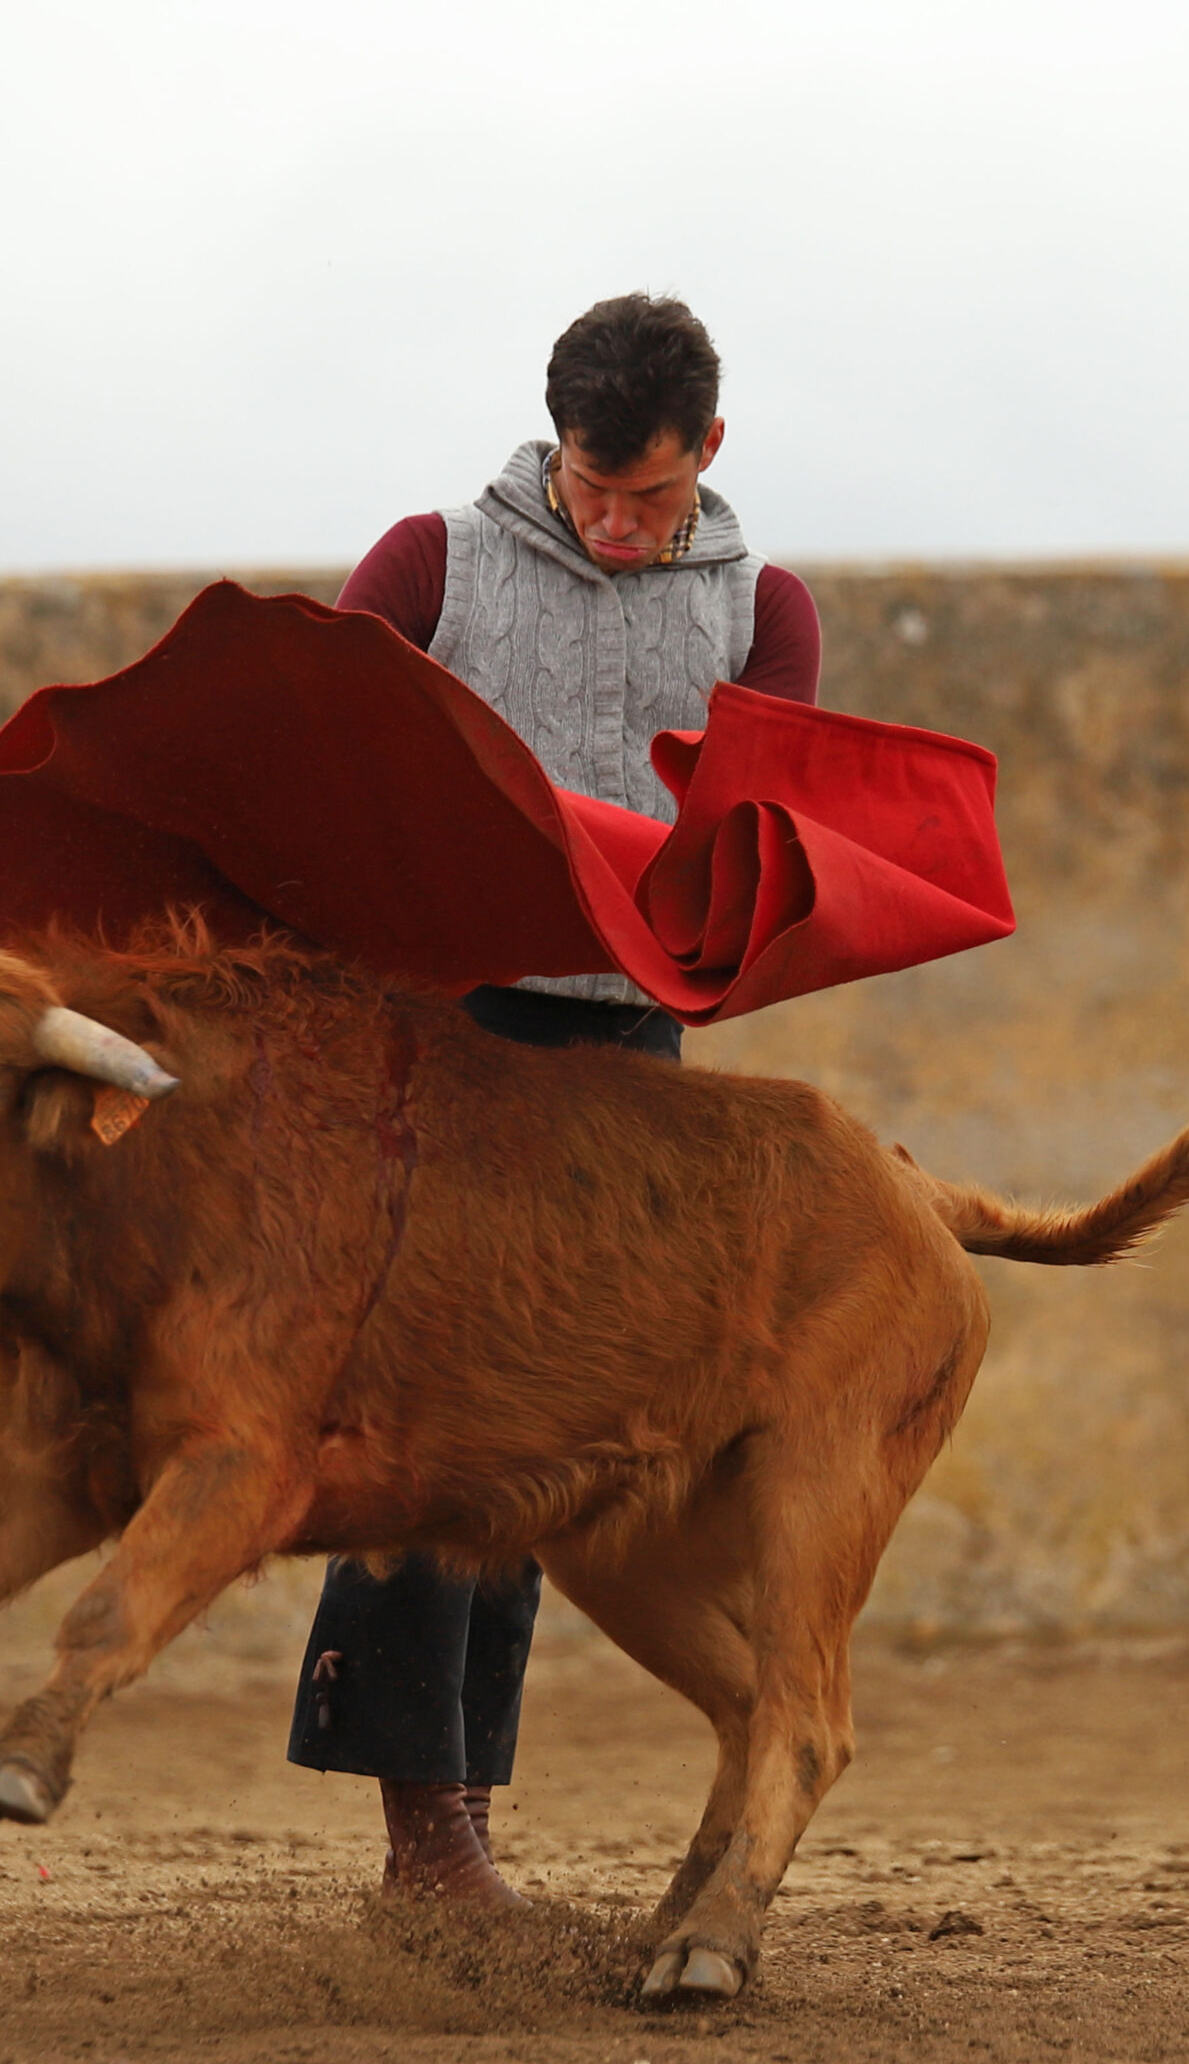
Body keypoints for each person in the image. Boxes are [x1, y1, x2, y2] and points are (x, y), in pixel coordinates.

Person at [284, 293, 824, 1904]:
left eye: (650, 499)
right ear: (553, 447)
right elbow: (318, 763)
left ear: (709, 454)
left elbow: (765, 845)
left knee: (538, 1437)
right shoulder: (430, 564)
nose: (614, 525)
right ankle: (427, 1828)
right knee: (418, 1432)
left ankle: (452, 1823)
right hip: (435, 1051)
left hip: (623, 1075)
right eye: (592, 491)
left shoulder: (764, 612)